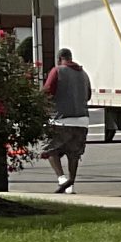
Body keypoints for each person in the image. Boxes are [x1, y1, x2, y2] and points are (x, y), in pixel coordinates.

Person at [43, 48, 93, 194]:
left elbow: (47, 91)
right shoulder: (84, 74)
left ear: (59, 59)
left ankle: (62, 178)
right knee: (74, 154)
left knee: (50, 150)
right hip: (82, 120)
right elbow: (88, 95)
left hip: (62, 119)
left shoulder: (57, 71)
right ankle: (71, 183)